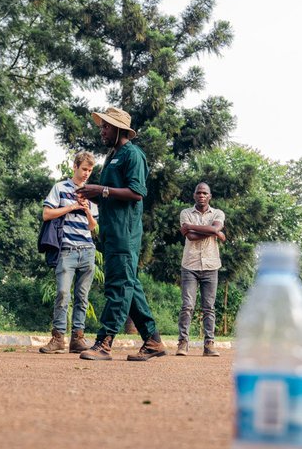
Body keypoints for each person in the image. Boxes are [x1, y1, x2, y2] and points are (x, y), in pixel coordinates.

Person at [76, 107, 166, 362]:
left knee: (119, 286)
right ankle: (153, 341)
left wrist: (101, 190)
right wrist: (93, 193)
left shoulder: (133, 155)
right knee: (130, 286)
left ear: (119, 130)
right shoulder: (112, 156)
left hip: (125, 234)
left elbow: (137, 193)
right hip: (112, 233)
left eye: (106, 126)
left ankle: (104, 342)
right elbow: (110, 192)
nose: (102, 130)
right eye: (102, 126)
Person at [39, 152, 99, 354]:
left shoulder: (92, 193)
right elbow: (46, 214)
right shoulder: (60, 188)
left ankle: (77, 338)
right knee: (63, 294)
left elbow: (93, 227)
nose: (86, 174)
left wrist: (87, 210)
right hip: (66, 250)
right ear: (75, 167)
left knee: (83, 297)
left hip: (88, 250)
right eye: (84, 169)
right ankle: (58, 338)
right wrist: (72, 206)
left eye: (90, 171)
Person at [176, 182, 225, 357]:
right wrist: (213, 232)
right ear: (194, 195)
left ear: (209, 196)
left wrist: (191, 226)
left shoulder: (218, 213)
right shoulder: (186, 213)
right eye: (199, 193)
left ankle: (209, 344)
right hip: (190, 265)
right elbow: (191, 237)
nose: (202, 195)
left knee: (209, 307)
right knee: (187, 306)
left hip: (211, 265)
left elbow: (215, 227)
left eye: (205, 193)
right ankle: (183, 343)